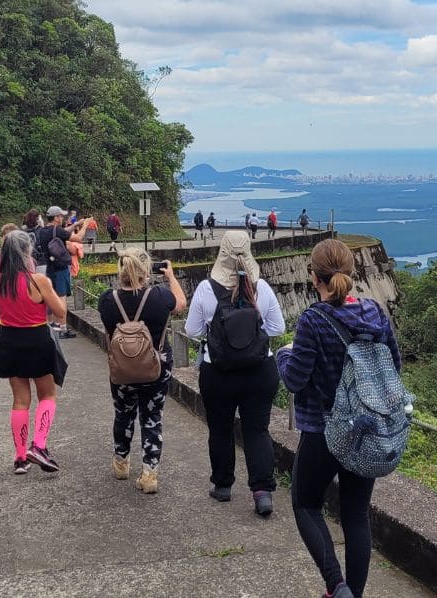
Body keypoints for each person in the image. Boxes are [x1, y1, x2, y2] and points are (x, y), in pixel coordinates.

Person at [276, 239, 402, 598]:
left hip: (323, 430)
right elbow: (393, 368)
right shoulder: (375, 313)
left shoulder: (314, 319)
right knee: (356, 514)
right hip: (368, 429)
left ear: (313, 276)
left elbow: (295, 380)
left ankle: (336, 585)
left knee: (305, 504)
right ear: (351, 272)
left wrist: (282, 356)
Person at [184, 231, 285, 516]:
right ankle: (262, 491)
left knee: (220, 429)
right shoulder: (261, 287)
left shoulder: (206, 289)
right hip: (259, 370)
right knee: (257, 430)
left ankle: (224, 485)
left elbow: (191, 331)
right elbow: (278, 328)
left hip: (218, 371)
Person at [97, 248, 186, 494]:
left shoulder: (107, 299)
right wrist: (170, 276)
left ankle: (121, 463)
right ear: (145, 271)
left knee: (123, 414)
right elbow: (180, 303)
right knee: (152, 417)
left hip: (122, 371)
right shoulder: (159, 296)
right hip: (155, 368)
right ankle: (149, 474)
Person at [0, 230, 70, 474]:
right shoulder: (38, 281)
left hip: (9, 340)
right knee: (47, 395)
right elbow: (60, 312)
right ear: (27, 252)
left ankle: (20, 457)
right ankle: (39, 445)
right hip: (36, 338)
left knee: (20, 400)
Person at [34, 207, 81, 330]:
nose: (62, 218)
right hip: (60, 267)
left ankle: (53, 323)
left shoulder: (43, 231)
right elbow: (78, 238)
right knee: (62, 296)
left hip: (49, 268)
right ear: (56, 217)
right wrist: (85, 226)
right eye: (60, 216)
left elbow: (63, 232)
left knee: (52, 294)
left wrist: (76, 224)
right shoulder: (57, 230)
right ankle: (63, 326)